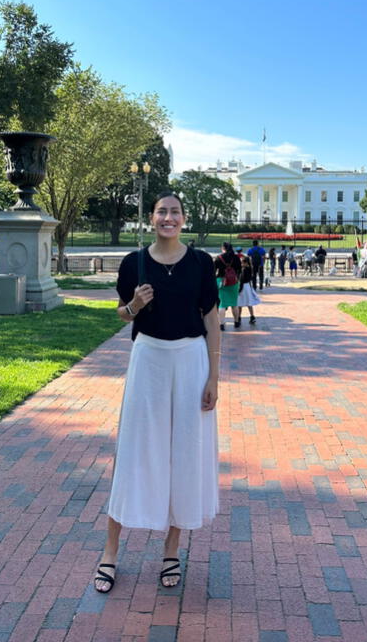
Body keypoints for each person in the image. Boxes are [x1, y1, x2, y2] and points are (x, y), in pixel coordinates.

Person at [95, 191, 220, 594]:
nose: (169, 217)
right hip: (148, 358)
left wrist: (214, 377)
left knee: (185, 453)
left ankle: (171, 550)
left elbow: (212, 319)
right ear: (152, 218)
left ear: (184, 219)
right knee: (134, 450)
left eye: (175, 212)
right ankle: (110, 552)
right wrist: (132, 305)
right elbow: (122, 313)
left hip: (190, 359)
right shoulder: (135, 263)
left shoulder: (201, 263)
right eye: (162, 211)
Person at [214, 242, 242, 331]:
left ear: (223, 248)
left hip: (221, 282)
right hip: (234, 282)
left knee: (222, 304)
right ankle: (236, 322)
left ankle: (221, 324)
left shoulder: (219, 258)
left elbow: (213, 271)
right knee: (234, 303)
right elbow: (240, 270)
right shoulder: (236, 257)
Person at [236, 254, 261, 325]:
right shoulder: (250, 268)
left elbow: (241, 280)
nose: (241, 264)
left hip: (243, 287)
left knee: (239, 303)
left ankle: (238, 318)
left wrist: (239, 290)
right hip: (248, 286)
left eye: (242, 263)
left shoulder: (244, 270)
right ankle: (252, 317)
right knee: (249, 303)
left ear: (245, 263)